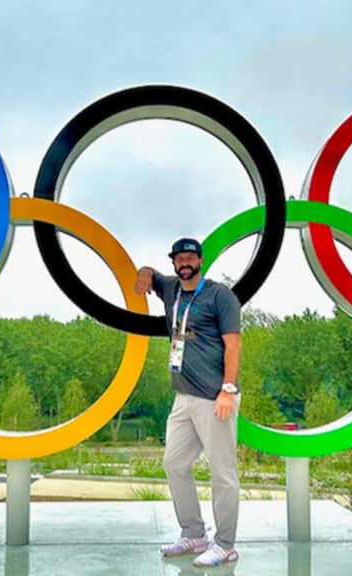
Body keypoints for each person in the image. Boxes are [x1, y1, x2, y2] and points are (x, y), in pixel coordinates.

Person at [134, 237, 242, 567]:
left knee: (222, 473)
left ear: (200, 261)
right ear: (174, 263)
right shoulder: (171, 289)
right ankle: (194, 533)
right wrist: (143, 271)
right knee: (174, 463)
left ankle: (225, 544)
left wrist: (228, 389)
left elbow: (233, 345)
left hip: (214, 398)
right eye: (179, 258)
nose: (185, 262)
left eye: (190, 257)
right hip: (183, 398)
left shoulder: (219, 296)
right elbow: (150, 274)